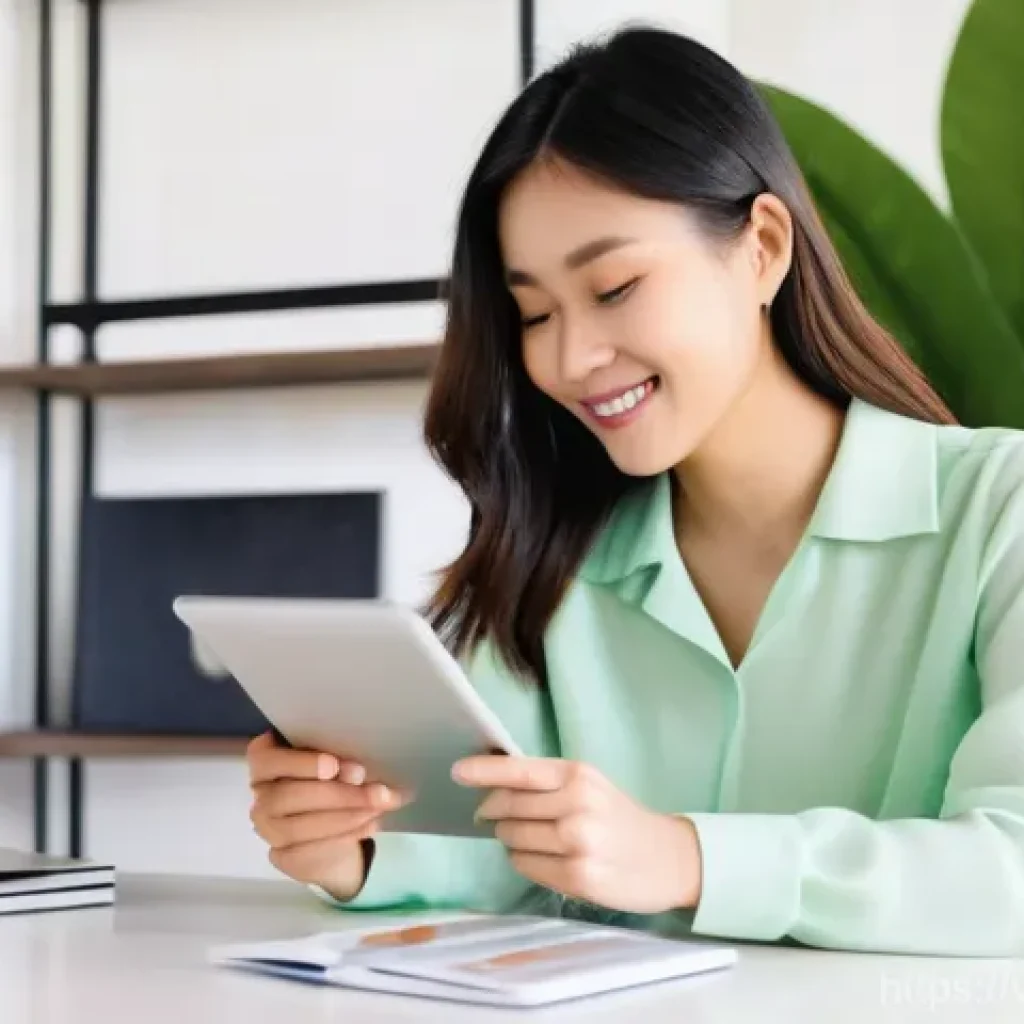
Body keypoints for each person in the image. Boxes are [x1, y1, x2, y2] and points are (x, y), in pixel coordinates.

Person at [246, 26, 1024, 957]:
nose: (569, 358)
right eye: (534, 312)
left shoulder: (999, 510)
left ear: (763, 247)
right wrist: (355, 846)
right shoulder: (561, 559)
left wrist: (689, 858)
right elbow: (508, 851)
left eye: (614, 288)